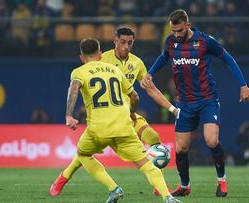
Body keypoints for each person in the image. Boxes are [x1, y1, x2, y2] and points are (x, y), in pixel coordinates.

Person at [50, 27, 179, 197]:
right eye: (123, 42)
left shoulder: (137, 63)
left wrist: (172, 108)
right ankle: (64, 177)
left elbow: (150, 89)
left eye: (130, 43)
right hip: (107, 113)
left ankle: (158, 186)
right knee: (85, 153)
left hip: (128, 113)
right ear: (115, 41)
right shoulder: (104, 59)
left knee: (154, 139)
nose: (126, 46)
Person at [141, 9, 249, 198]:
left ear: (188, 24)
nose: (176, 35)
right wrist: (150, 72)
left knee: (211, 140)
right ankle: (185, 186)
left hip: (207, 99)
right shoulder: (170, 42)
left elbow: (228, 59)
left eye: (179, 30)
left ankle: (222, 180)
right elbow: (164, 57)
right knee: (181, 148)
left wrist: (243, 85)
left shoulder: (204, 41)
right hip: (184, 103)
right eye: (173, 31)